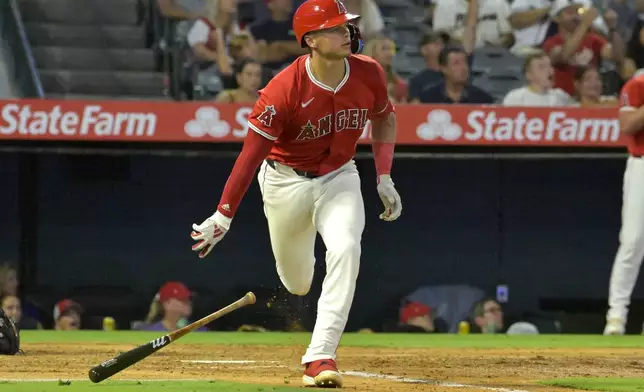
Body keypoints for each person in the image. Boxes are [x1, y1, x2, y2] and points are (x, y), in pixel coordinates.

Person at [189, 0, 402, 387]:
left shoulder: (369, 72)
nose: (347, 32)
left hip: (340, 176)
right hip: (285, 182)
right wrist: (223, 215)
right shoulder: (282, 90)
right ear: (311, 41)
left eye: (347, 26)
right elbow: (249, 157)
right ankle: (304, 297)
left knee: (346, 248)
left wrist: (384, 176)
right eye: (336, 28)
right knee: (298, 283)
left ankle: (320, 355)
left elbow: (385, 117)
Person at [604, 72, 644, 335]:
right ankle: (616, 316)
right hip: (642, 164)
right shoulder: (638, 84)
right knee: (632, 240)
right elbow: (628, 124)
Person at [502, 50, 574, 106]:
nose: (549, 71)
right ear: (529, 75)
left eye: (550, 66)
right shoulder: (516, 98)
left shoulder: (561, 96)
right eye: (542, 67)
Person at [137, 281, 203, 332]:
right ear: (166, 303)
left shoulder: (200, 330)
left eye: (189, 299)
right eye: (182, 299)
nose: (188, 302)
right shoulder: (149, 332)